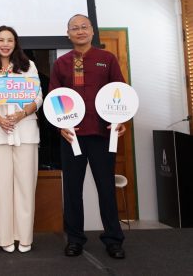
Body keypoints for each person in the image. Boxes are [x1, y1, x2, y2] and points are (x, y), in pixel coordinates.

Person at [49, 14, 126, 259]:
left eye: (84, 27)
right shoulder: (61, 63)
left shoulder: (107, 59)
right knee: (72, 190)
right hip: (71, 136)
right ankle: (74, 239)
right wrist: (60, 126)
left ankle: (113, 240)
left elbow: (120, 92)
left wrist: (120, 120)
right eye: (75, 28)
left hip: (102, 134)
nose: (80, 31)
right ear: (68, 34)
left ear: (92, 31)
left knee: (106, 188)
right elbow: (54, 98)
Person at [0, 26, 42, 254]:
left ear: (16, 43)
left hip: (26, 131)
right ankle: (5, 238)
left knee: (26, 186)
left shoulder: (28, 66)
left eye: (10, 40)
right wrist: (0, 120)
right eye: (1, 40)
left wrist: (22, 113)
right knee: (2, 187)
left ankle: (24, 237)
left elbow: (38, 97)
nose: (5, 44)